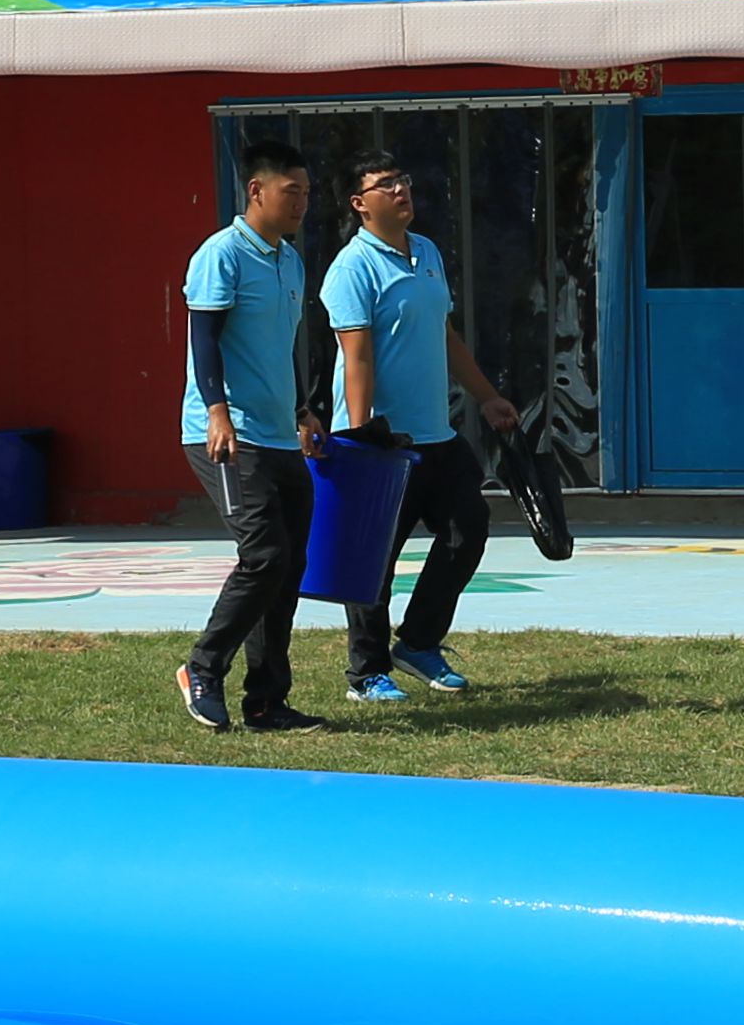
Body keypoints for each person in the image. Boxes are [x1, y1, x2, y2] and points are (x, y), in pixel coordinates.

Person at [322, 155, 516, 703]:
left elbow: (445, 334)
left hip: (435, 433)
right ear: (360, 204)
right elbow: (355, 358)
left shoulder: (426, 251)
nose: (402, 189)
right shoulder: (352, 268)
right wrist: (360, 438)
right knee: (372, 562)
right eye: (386, 185)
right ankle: (366, 672)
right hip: (381, 441)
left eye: (404, 179)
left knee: (467, 528)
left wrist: (487, 397)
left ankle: (420, 642)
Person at [172, 142, 322, 736]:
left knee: (288, 567)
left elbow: (279, 349)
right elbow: (203, 340)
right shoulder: (221, 255)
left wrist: (304, 409)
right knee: (264, 556)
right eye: (293, 192)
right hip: (226, 435)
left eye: (307, 193)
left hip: (280, 435)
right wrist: (216, 411)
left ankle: (266, 701)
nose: (303, 204)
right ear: (256, 191)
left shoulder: (289, 260)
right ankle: (202, 669)